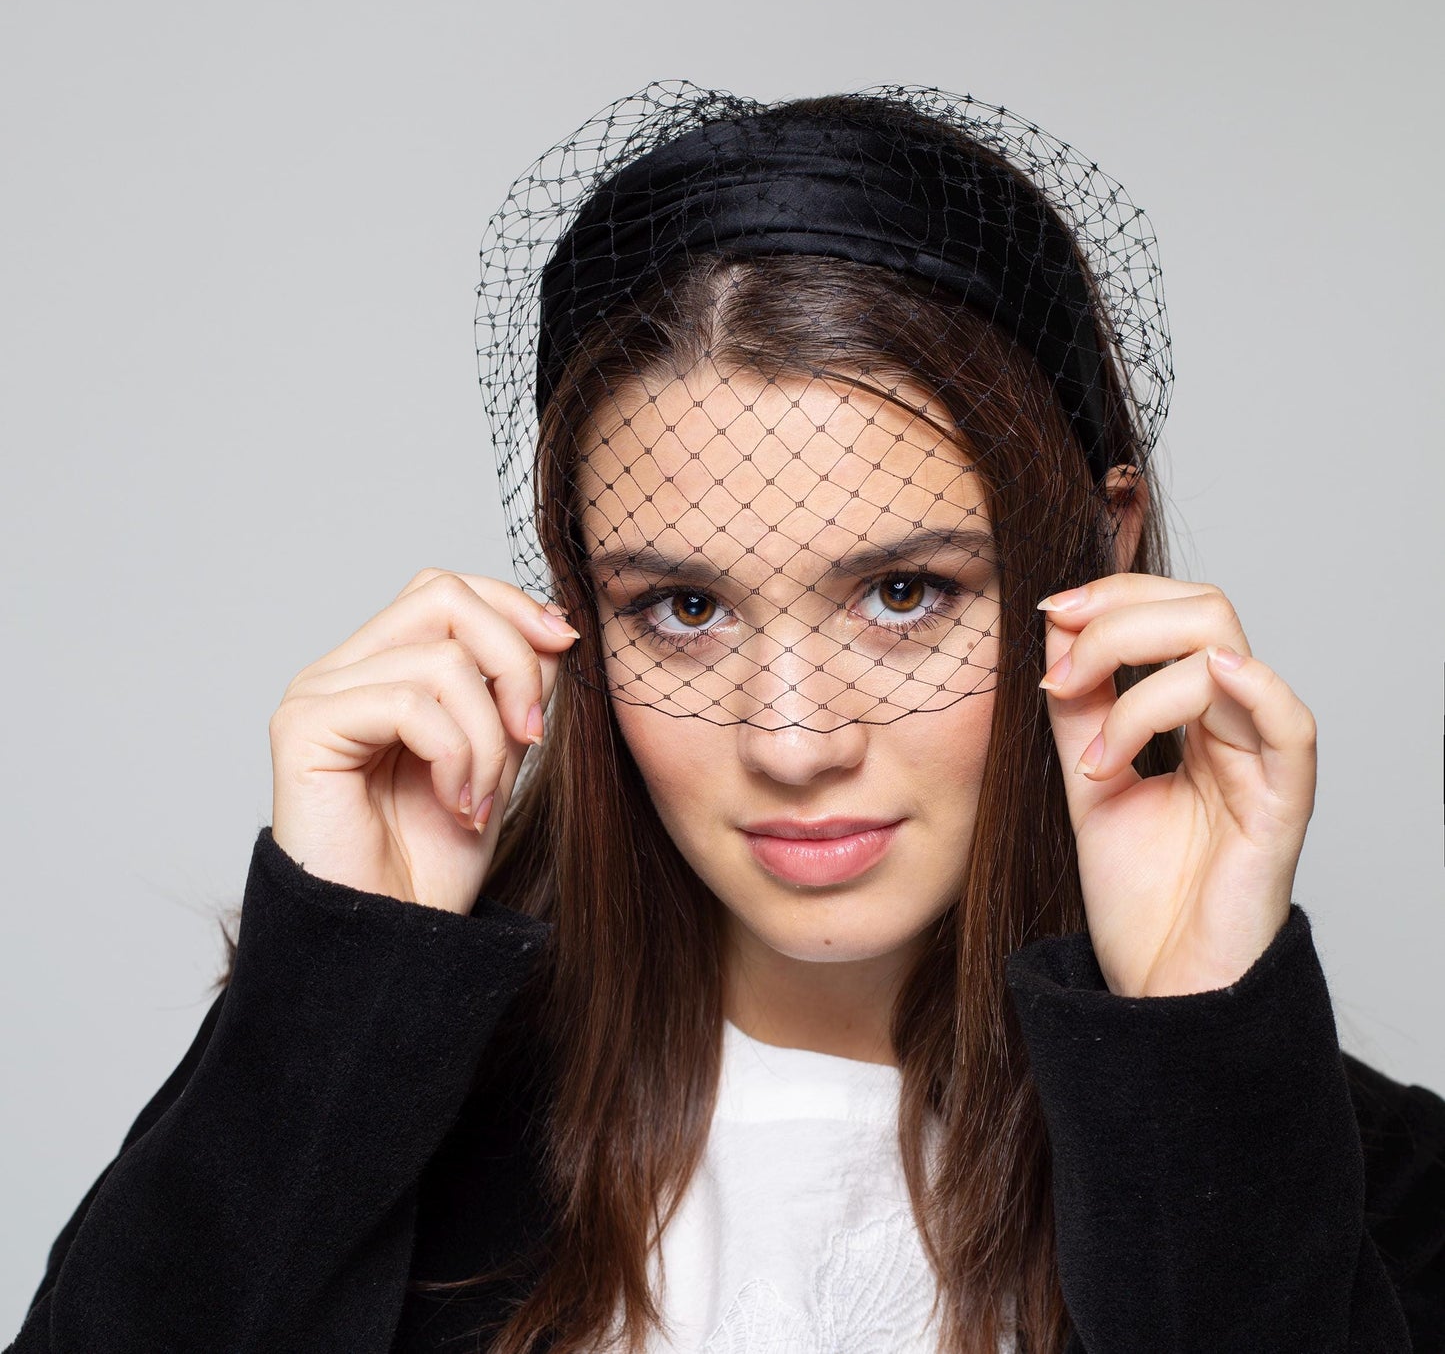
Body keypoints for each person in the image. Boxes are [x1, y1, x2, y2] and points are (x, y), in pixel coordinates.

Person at [8, 84, 1444, 1354]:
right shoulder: (367, 1124)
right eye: (682, 608)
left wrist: (1193, 1047)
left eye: (902, 590)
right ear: (575, 603)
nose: (795, 737)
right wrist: (331, 999)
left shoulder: (1375, 1190)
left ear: (1096, 552)